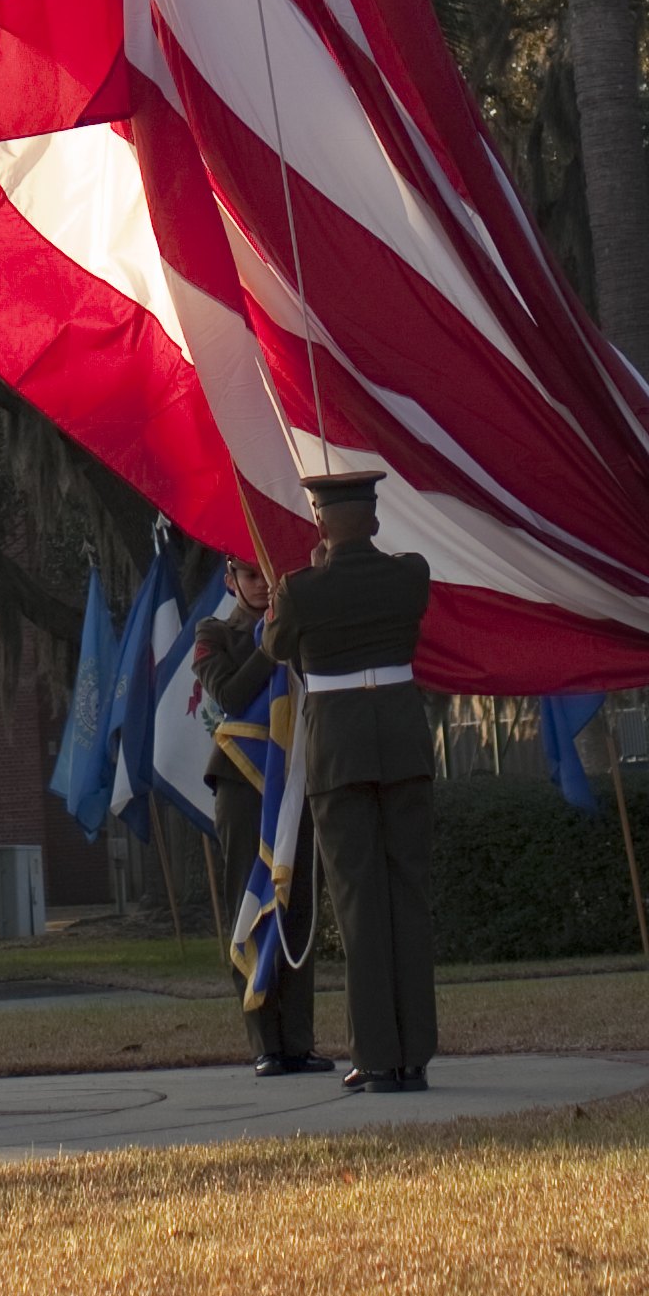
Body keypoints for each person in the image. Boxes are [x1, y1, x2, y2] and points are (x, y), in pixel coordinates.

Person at [268, 463, 442, 1093]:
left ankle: (376, 1058)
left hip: (339, 751)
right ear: (373, 518)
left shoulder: (299, 590)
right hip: (401, 744)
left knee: (359, 904)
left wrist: (312, 575)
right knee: (408, 898)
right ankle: (415, 1056)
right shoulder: (410, 575)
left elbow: (276, 647)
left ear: (320, 520)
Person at [190, 557, 325, 1074]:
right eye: (250, 576)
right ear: (230, 581)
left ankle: (299, 1041)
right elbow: (228, 692)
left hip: (296, 776)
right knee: (252, 900)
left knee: (297, 900)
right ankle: (264, 1042)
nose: (263, 587)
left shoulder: (299, 627)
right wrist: (272, 640)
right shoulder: (214, 632)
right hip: (243, 782)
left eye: (270, 577)